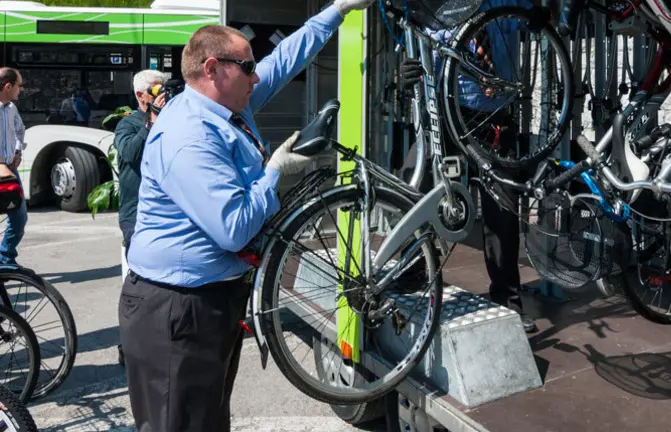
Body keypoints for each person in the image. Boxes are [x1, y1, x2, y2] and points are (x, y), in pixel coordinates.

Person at [118, 0, 374, 430]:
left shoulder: (227, 106)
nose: (257, 75)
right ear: (214, 68)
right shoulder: (189, 136)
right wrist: (274, 173)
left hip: (209, 300)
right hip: (177, 311)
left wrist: (337, 10)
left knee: (210, 421)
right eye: (248, 67)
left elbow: (287, 58)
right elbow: (233, 229)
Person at [398, 0, 553, 333]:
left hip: (494, 116)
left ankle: (507, 300)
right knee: (413, 186)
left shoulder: (503, 3)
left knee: (504, 208)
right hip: (446, 112)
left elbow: (533, 19)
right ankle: (412, 275)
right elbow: (411, 42)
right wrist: (405, 69)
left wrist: (546, 10)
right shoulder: (434, 7)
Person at [113, 69, 168, 367]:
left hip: (166, 213)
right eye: (157, 89)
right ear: (140, 96)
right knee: (136, 285)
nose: (163, 93)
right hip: (136, 215)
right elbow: (130, 154)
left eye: (165, 87)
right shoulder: (128, 123)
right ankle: (130, 347)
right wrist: (152, 122)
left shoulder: (172, 119)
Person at [0, 68, 26, 266]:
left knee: (19, 217)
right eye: (20, 85)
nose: (21, 89)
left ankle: (5, 258)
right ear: (8, 87)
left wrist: (17, 153)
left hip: (10, 170)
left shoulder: (11, 108)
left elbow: (20, 129)